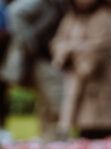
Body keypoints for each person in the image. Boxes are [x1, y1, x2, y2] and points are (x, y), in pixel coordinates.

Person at [51, 0, 111, 138]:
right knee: (83, 133)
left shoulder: (105, 17)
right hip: (76, 85)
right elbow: (58, 43)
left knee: (100, 134)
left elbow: (98, 50)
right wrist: (69, 51)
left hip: (100, 87)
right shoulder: (72, 17)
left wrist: (71, 50)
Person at [3, 0, 65, 140]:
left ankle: (50, 147)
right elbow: (15, 13)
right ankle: (57, 147)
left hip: (47, 59)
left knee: (48, 109)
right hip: (43, 60)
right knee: (56, 107)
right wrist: (32, 43)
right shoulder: (43, 2)